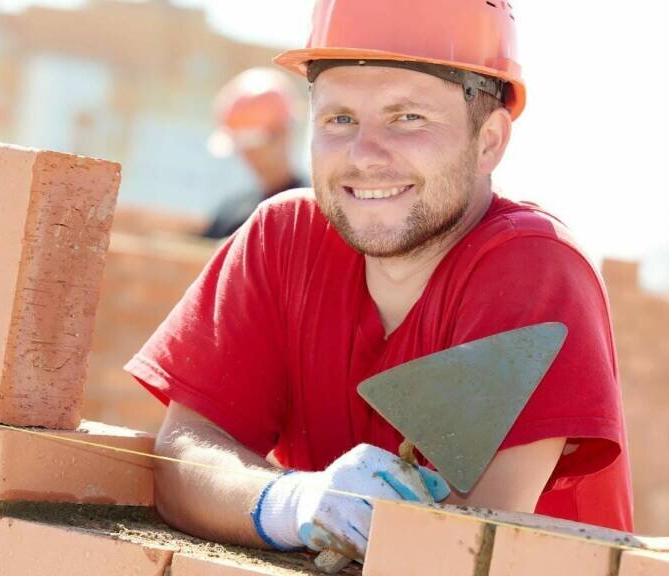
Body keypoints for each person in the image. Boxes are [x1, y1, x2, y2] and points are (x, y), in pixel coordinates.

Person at [125, 0, 633, 562]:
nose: (364, 156)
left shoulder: (533, 268)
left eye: (407, 118)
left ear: (489, 141)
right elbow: (183, 459)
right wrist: (292, 501)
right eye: (340, 119)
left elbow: (462, 548)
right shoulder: (283, 238)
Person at [202, 67, 307, 239]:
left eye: (253, 142)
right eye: (241, 144)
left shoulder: (312, 212)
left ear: (283, 135)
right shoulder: (230, 212)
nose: (247, 154)